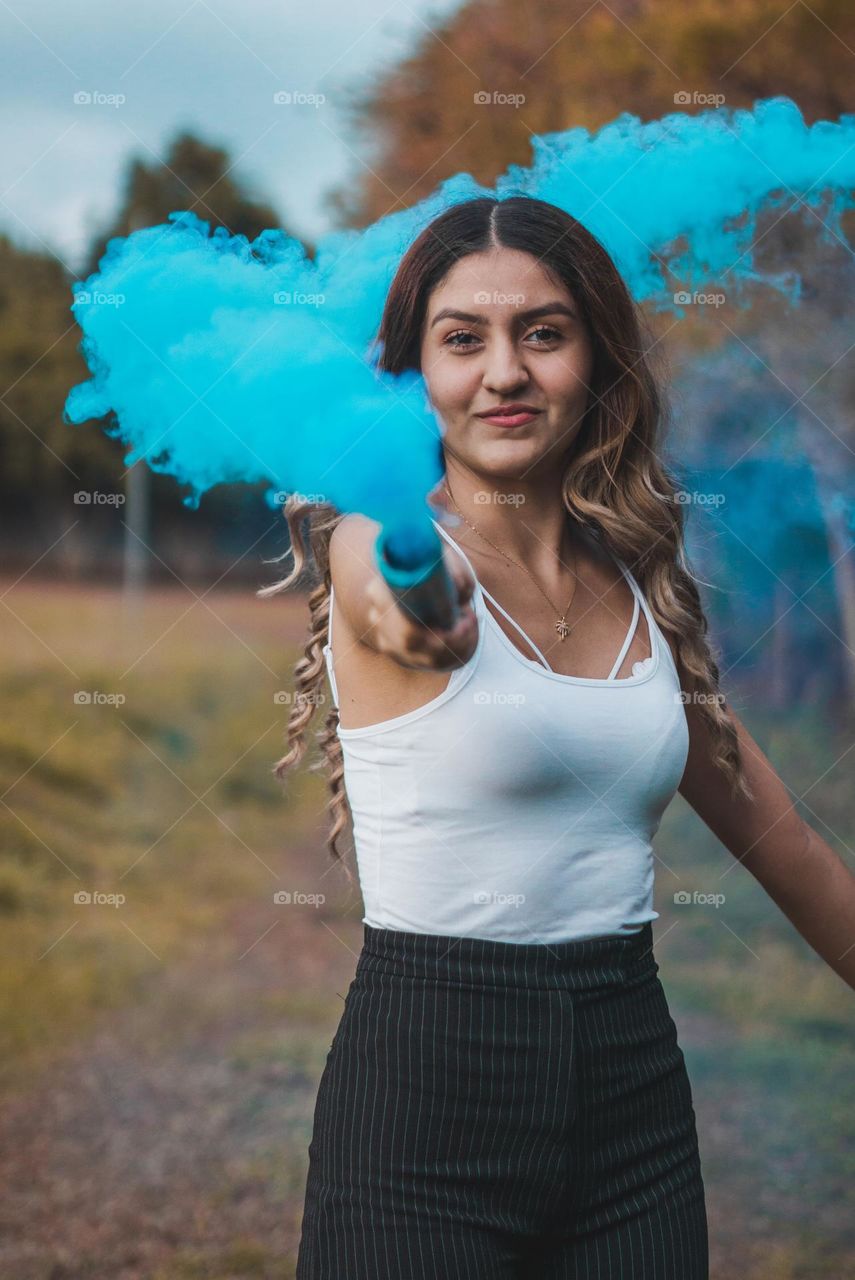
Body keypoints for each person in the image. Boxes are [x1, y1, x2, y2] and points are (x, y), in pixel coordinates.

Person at [259, 195, 855, 1279]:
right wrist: (418, 610)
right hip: (421, 1113)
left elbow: (797, 854)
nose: (504, 374)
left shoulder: (642, 589)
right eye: (462, 340)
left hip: (633, 1109)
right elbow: (393, 602)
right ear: (412, 373)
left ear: (596, 357)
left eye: (543, 331)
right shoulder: (376, 544)